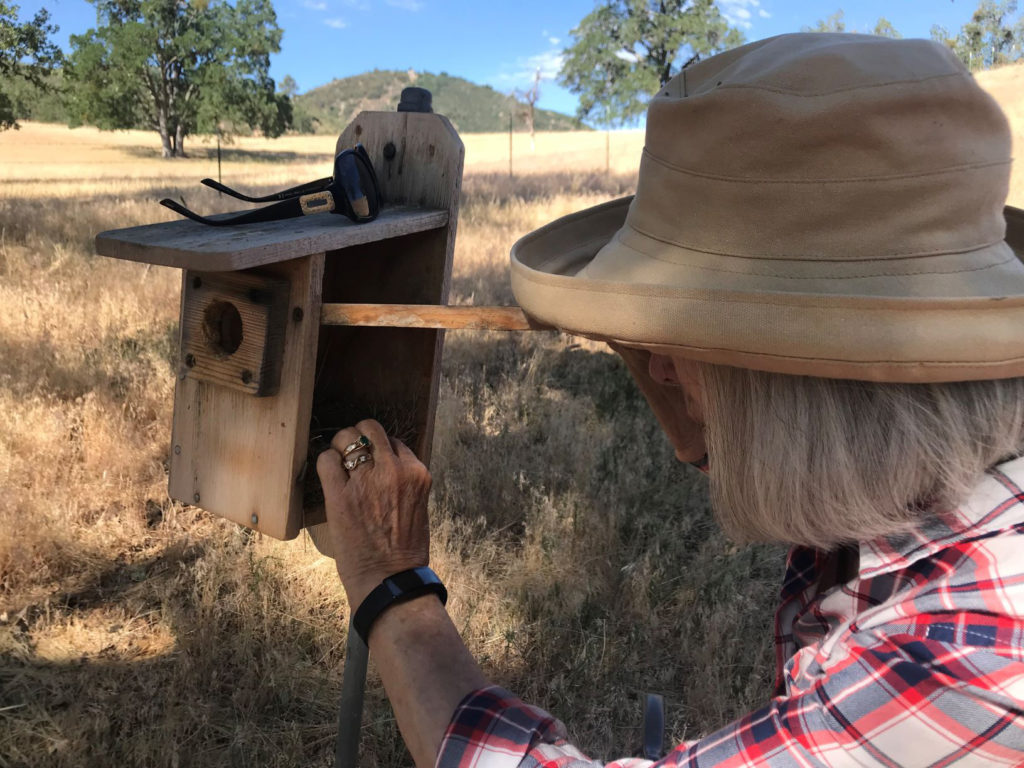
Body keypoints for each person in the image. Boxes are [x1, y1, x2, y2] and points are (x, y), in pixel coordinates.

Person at [315, 33, 1024, 767]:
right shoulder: (916, 520)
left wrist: (393, 588)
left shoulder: (973, 663)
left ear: (818, 381)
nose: (654, 364)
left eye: (687, 338)